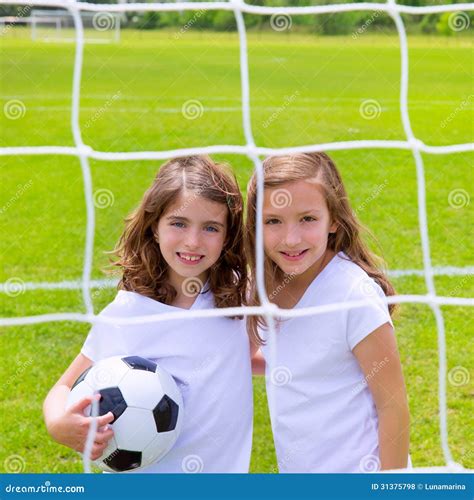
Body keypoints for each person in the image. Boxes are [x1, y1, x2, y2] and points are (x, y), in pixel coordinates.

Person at [43, 155, 252, 473]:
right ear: (154, 226)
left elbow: (242, 356)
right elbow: (63, 387)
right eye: (178, 223)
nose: (193, 242)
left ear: (227, 236)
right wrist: (58, 422)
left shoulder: (238, 295)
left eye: (211, 227)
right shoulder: (126, 315)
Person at [246, 152, 410, 473]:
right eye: (273, 221)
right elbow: (283, 361)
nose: (291, 239)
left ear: (333, 218)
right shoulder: (262, 286)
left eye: (307, 219)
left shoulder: (354, 295)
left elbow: (394, 407)